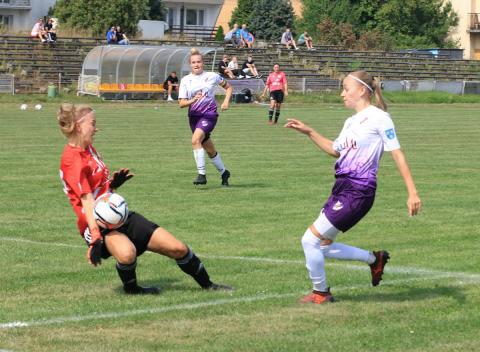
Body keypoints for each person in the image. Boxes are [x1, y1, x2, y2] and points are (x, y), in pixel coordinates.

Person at [57, 103, 232, 295]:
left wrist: (112, 185)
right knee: (127, 254)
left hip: (117, 214)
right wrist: (95, 237)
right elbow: (87, 199)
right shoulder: (72, 159)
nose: (96, 128)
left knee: (178, 248)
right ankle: (132, 289)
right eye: (93, 123)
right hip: (98, 225)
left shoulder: (88, 148)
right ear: (80, 125)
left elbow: (97, 189)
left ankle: (209, 286)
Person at [284, 70, 422, 304]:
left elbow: (397, 153)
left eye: (345, 89)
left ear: (361, 90)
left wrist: (412, 192)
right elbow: (335, 150)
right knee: (323, 246)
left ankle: (321, 293)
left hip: (359, 191)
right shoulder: (350, 122)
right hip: (341, 188)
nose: (342, 94)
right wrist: (309, 131)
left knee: (309, 240)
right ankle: (374, 259)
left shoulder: (379, 117)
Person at [178, 48, 233, 186]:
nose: (196, 64)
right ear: (190, 64)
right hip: (194, 117)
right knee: (209, 149)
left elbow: (229, 87)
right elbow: (181, 103)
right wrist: (193, 100)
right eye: (193, 62)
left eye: (199, 62)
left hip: (209, 115)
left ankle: (201, 175)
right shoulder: (186, 80)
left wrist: (225, 101)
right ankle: (224, 172)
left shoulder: (212, 76)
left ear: (203, 63)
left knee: (195, 140)